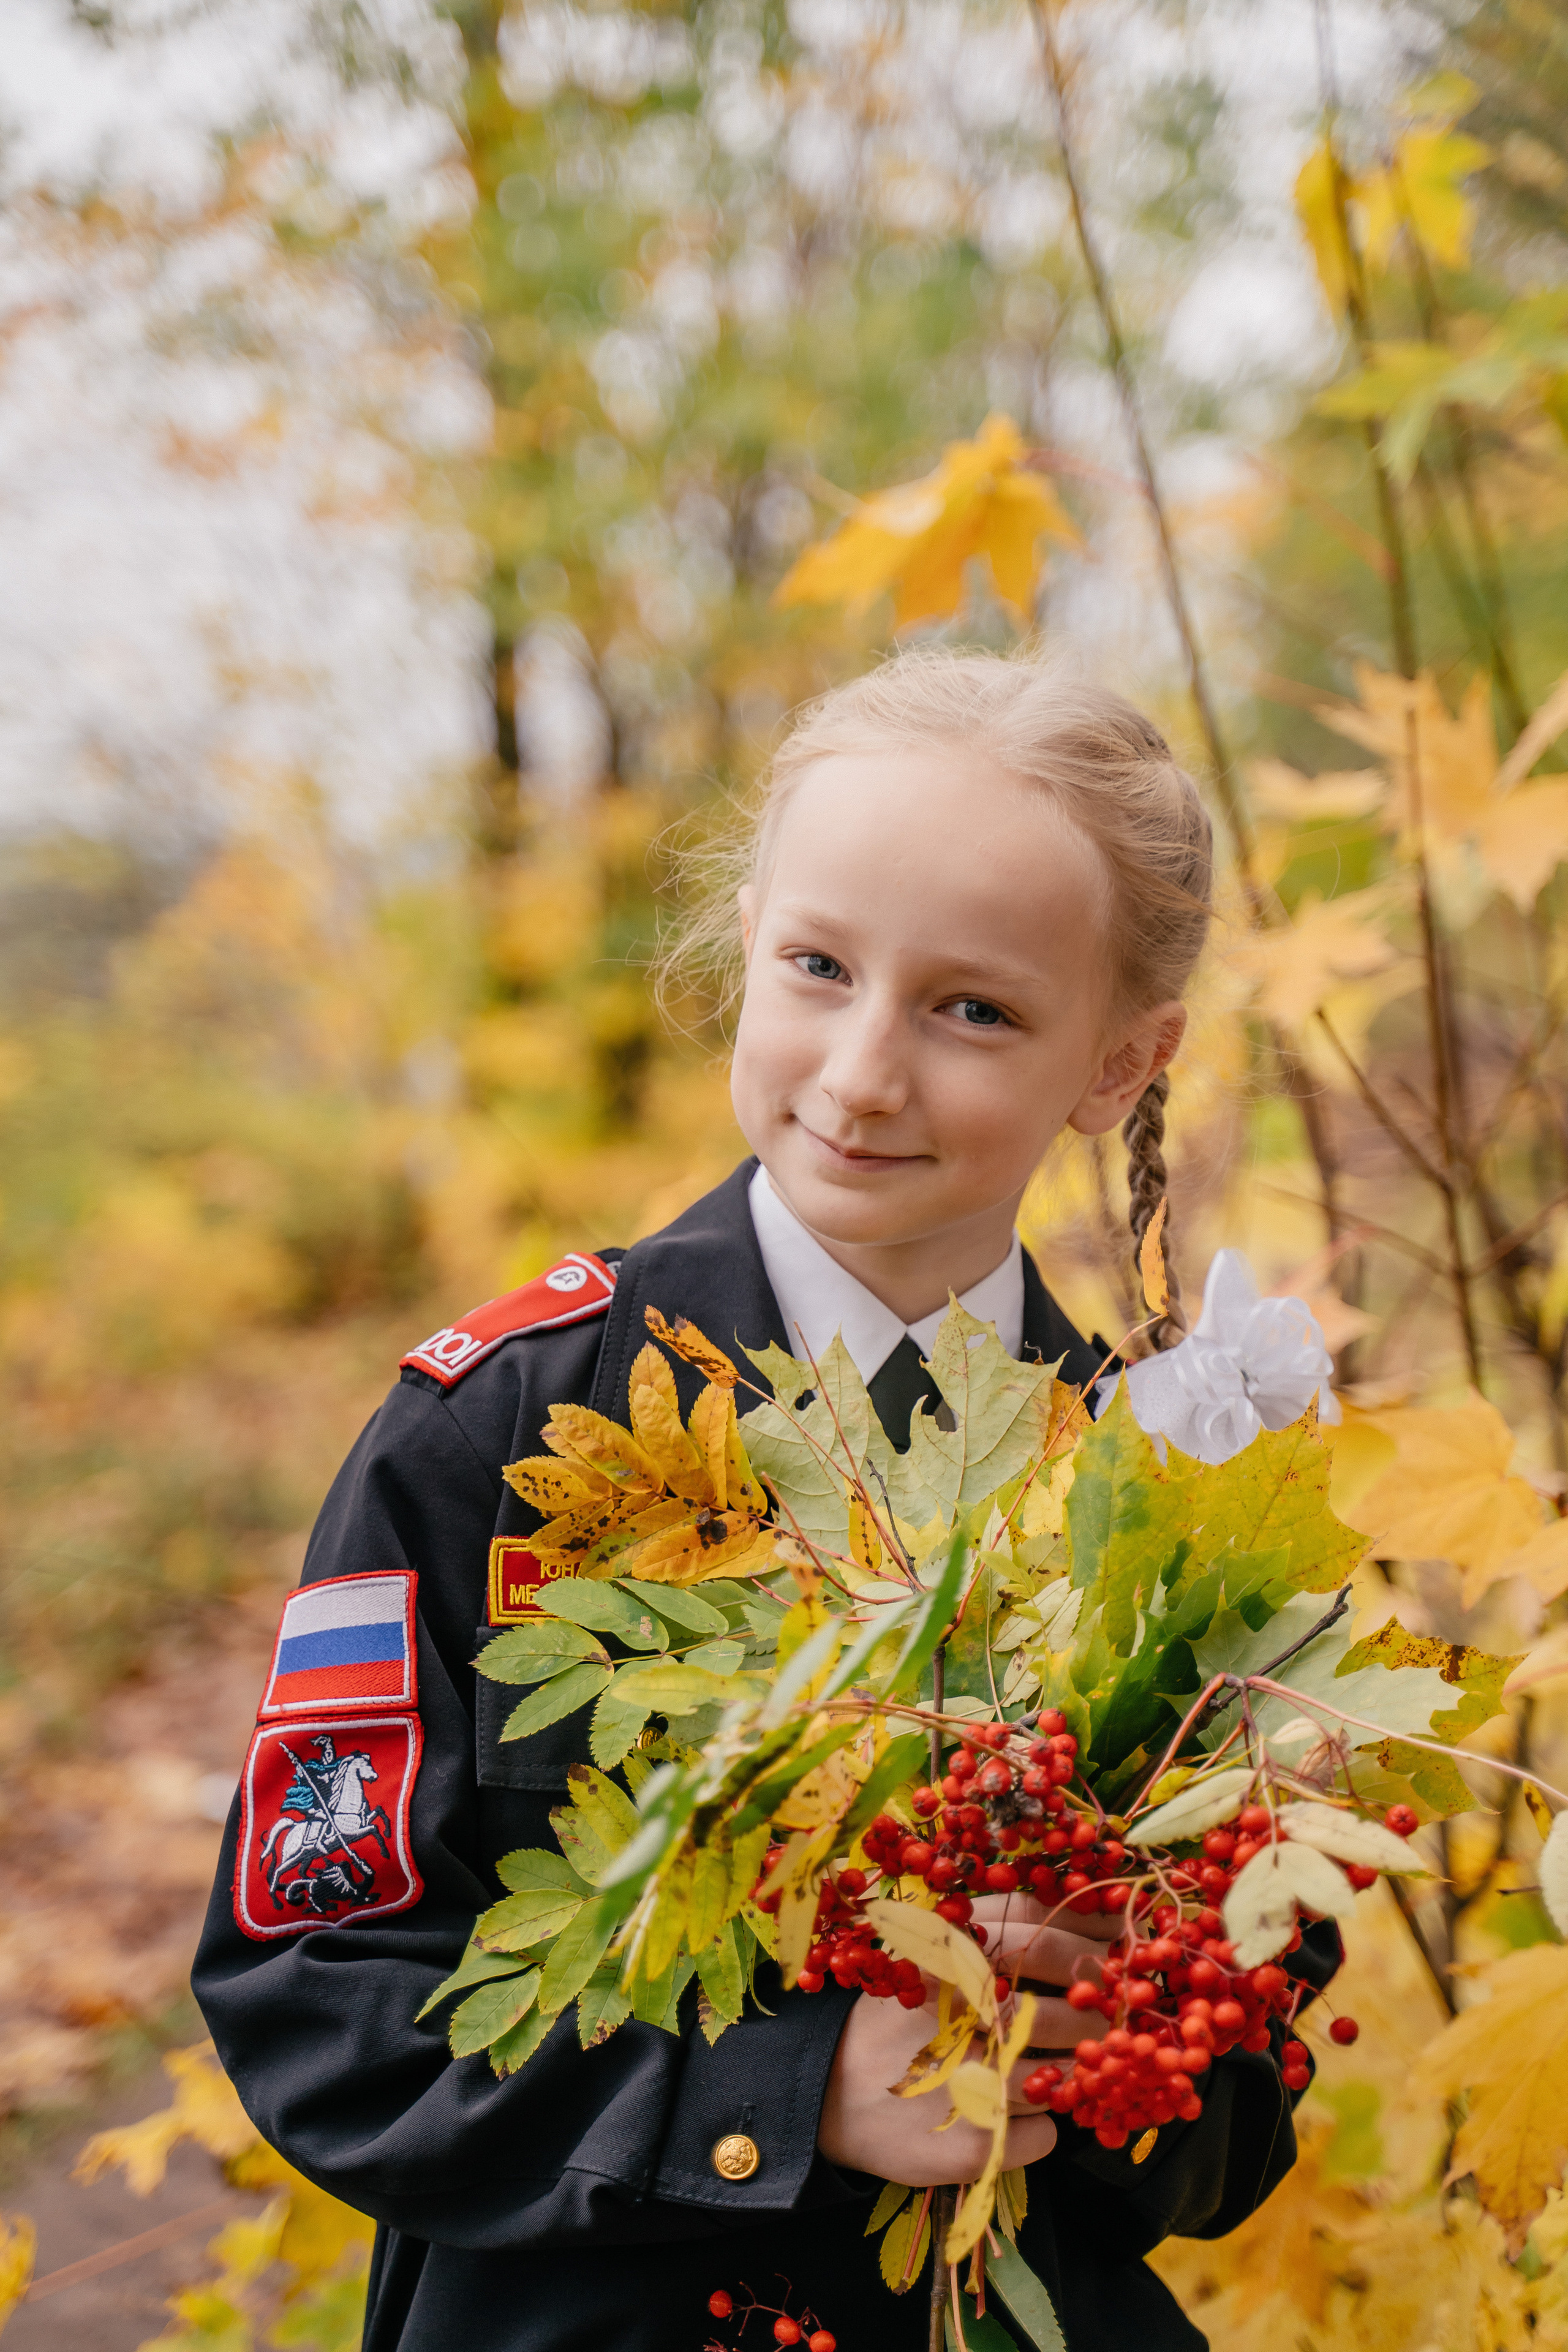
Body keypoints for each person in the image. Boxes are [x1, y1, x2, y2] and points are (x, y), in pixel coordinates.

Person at [193, 649, 1339, 2352]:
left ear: (1120, 1062)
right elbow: (317, 2004)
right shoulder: (496, 1434)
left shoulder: (1166, 1493)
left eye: (976, 1010)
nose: (864, 1072)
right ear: (748, 950)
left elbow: (1236, 2105)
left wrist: (1101, 2032)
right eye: (820, 967)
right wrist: (775, 2097)